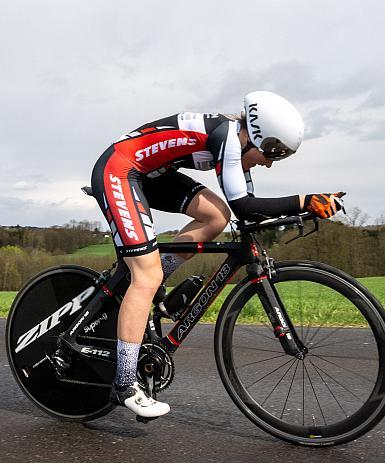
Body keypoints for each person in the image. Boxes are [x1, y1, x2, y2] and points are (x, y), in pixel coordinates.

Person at [90, 91, 344, 419]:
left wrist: (306, 207)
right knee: (145, 275)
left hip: (152, 176)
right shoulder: (226, 137)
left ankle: (157, 281)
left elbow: (244, 212)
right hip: (119, 171)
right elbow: (246, 206)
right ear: (255, 137)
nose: (268, 162)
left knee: (216, 217)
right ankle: (125, 384)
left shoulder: (235, 144)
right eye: (272, 153)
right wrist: (303, 201)